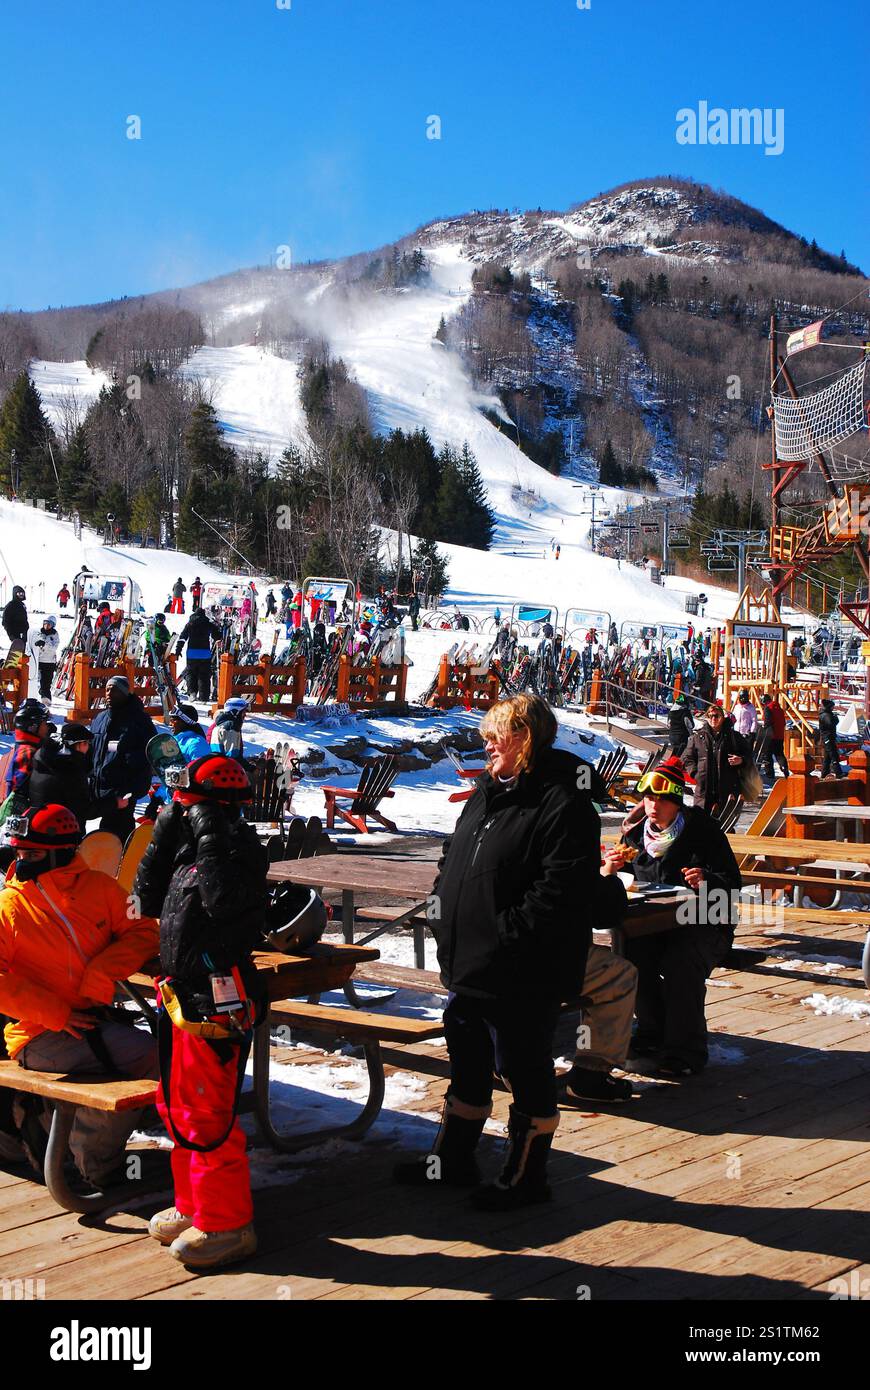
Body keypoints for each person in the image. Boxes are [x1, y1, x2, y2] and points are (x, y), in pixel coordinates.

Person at [393, 693, 619, 1209]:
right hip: (470, 962)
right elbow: (456, 852)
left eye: (499, 735)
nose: (488, 743)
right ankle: (452, 1162)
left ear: (527, 739)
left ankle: (525, 1178)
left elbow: (558, 893)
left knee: (524, 1067)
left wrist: (503, 936)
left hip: (523, 969)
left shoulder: (564, 802)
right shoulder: (489, 792)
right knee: (467, 1063)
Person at [134, 755, 267, 1269]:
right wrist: (165, 832)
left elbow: (223, 902)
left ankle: (229, 1223)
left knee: (209, 1113)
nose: (185, 811)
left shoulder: (241, 850)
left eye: (191, 804)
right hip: (181, 991)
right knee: (178, 1106)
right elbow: (143, 900)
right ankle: (197, 1206)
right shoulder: (189, 848)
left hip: (220, 995)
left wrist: (210, 833)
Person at [0, 804, 158, 1187]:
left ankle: (64, 1136)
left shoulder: (100, 888)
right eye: (19, 852)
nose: (22, 861)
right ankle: (94, 1162)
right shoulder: (11, 905)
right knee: (154, 1059)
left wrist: (102, 971)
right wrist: (55, 1013)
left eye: (32, 853)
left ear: (60, 851)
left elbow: (144, 932)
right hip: (39, 1033)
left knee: (162, 1054)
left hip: (89, 1020)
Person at [603, 756, 741, 1076]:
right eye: (649, 798)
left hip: (705, 923)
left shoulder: (702, 831)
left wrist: (708, 879)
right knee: (629, 955)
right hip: (650, 925)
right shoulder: (636, 838)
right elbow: (621, 881)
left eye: (662, 800)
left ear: (676, 803)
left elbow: (733, 885)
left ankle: (685, 1051)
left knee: (681, 961)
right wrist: (611, 869)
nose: (653, 806)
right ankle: (653, 1031)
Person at [89, 675, 157, 842]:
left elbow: (150, 754)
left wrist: (132, 788)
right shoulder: (100, 718)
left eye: (115, 690)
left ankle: (123, 864)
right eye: (107, 689)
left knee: (117, 834)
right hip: (99, 786)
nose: (109, 694)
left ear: (125, 693)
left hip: (123, 790)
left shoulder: (139, 720)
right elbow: (92, 748)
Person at [28, 722, 127, 833]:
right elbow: (83, 810)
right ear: (79, 744)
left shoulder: (45, 759)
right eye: (87, 743)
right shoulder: (70, 770)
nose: (89, 747)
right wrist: (115, 803)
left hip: (38, 824)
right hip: (62, 831)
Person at [682, 702, 748, 815]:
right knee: (701, 823)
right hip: (704, 789)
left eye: (716, 716)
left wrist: (741, 760)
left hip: (727, 788)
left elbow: (749, 755)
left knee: (725, 826)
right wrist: (695, 773)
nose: (713, 719)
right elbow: (686, 758)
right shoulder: (698, 737)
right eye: (710, 716)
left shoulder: (734, 736)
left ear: (722, 718)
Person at [176, 607, 222, 703]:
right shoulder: (208, 624)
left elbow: (182, 638)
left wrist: (178, 650)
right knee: (204, 675)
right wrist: (218, 638)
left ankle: (192, 693)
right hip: (205, 653)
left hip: (192, 653)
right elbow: (217, 635)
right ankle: (204, 697)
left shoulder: (190, 624)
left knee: (191, 673)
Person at [26, 615, 60, 700]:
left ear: (53, 625)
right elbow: (33, 645)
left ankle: (45, 696)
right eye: (45, 623)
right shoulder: (39, 633)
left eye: (49, 624)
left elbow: (53, 648)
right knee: (40, 681)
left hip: (49, 662)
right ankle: (43, 697)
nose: (46, 625)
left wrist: (44, 644)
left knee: (47, 682)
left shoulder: (54, 635)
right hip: (39, 661)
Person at [758, 693, 789, 781]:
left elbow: (768, 722)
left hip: (771, 736)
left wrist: (765, 732)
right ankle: (785, 769)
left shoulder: (768, 708)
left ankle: (769, 775)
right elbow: (783, 722)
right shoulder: (779, 709)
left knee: (767, 755)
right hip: (780, 736)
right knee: (779, 754)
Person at [819, 698, 842, 779]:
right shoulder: (826, 715)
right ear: (829, 707)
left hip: (828, 737)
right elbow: (830, 724)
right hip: (828, 737)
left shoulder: (827, 714)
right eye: (832, 706)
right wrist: (836, 719)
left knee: (827, 757)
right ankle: (838, 772)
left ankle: (824, 773)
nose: (833, 708)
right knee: (833, 755)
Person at [731, 688, 758, 757]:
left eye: (744, 698)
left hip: (746, 733)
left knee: (746, 752)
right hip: (737, 732)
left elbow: (754, 720)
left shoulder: (751, 708)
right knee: (736, 750)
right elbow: (733, 718)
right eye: (741, 698)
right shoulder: (737, 707)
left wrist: (752, 732)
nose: (742, 700)